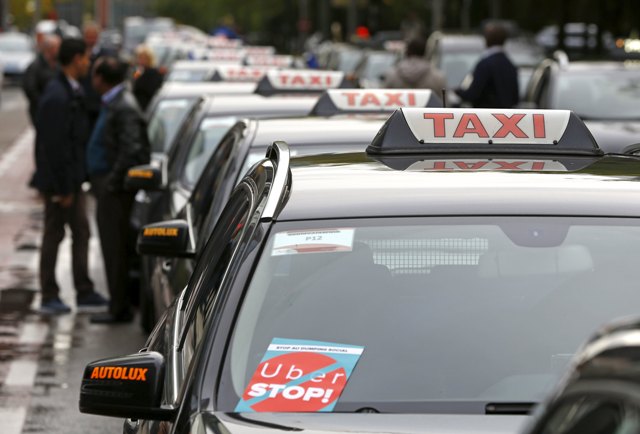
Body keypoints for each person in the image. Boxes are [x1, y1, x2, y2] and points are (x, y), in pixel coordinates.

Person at [32, 38, 108, 314]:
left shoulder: (69, 90)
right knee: (54, 233)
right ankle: (49, 294)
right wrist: (62, 189)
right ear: (76, 59)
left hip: (71, 180)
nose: (89, 63)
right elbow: (52, 147)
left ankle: (84, 290)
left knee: (81, 232)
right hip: (61, 183)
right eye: (86, 58)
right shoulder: (57, 95)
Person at [87, 56, 150, 324]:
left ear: (101, 79)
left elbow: (131, 151)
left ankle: (119, 307)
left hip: (113, 190)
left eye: (94, 74)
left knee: (115, 248)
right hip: (107, 186)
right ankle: (118, 303)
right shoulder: (115, 102)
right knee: (113, 246)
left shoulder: (123, 106)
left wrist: (112, 184)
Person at [455, 22, 519, 108]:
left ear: (487, 39)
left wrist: (457, 92)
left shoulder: (485, 64)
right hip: (507, 118)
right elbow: (515, 98)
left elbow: (473, 94)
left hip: (486, 117)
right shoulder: (510, 65)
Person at [81, 22, 116, 128]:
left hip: (100, 103)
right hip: (84, 104)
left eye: (93, 37)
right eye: (88, 37)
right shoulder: (80, 54)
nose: (90, 40)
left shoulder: (106, 54)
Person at [22, 33, 61, 125]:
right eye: (58, 47)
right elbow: (30, 88)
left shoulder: (59, 64)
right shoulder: (35, 66)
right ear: (50, 49)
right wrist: (43, 102)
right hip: (40, 111)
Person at [132, 45, 164, 112]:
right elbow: (133, 82)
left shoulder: (154, 73)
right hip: (136, 106)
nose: (141, 61)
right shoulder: (138, 71)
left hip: (147, 107)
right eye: (140, 58)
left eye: (144, 58)